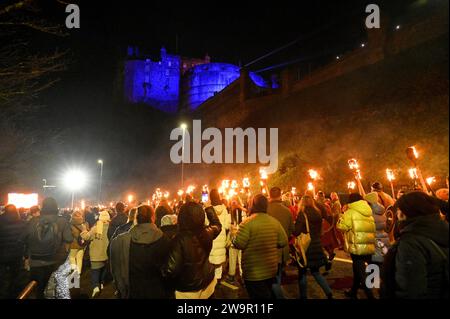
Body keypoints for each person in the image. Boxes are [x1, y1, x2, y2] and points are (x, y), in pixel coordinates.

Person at [382, 192, 449, 299]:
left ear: (405, 212)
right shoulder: (442, 231)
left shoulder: (410, 243)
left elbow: (410, 290)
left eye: (399, 210)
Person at [232, 194, 288, 299]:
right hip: (270, 269)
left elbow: (238, 243)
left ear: (252, 205)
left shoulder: (247, 223)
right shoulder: (274, 222)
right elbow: (283, 241)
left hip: (253, 272)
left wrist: (234, 235)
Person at [110, 205, 173, 298]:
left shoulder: (120, 240)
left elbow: (115, 267)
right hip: (157, 291)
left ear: (135, 219)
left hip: (133, 291)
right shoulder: (164, 239)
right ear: (153, 218)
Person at [162, 201, 221, 299]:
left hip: (188, 290)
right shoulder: (207, 232)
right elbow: (217, 226)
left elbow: (170, 270)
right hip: (208, 284)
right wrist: (209, 208)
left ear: (182, 218)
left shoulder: (179, 240)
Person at [22, 197, 73, 299]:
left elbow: (24, 240)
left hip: (35, 262)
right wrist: (63, 257)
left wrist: (27, 257)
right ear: (56, 207)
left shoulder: (32, 221)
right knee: (54, 290)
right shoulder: (62, 221)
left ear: (43, 207)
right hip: (55, 262)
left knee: (37, 290)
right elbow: (68, 240)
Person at [293, 195, 333, 299]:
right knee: (316, 272)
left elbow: (296, 231)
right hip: (317, 243)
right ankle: (328, 292)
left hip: (306, 247)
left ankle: (303, 296)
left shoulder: (303, 214)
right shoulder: (317, 213)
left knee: (302, 272)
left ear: (302, 203)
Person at [337, 193, 376, 299]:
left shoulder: (350, 212)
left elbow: (342, 227)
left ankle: (370, 296)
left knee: (361, 273)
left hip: (357, 246)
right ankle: (353, 292)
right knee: (358, 270)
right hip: (369, 244)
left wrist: (341, 216)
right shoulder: (368, 212)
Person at [267, 187, 294, 299]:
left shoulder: (265, 210)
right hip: (281, 249)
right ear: (280, 195)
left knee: (271, 279)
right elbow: (291, 230)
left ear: (270, 195)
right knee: (277, 277)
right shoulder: (287, 211)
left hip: (268, 249)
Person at [81, 210, 110, 298]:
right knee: (103, 270)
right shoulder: (111, 227)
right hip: (106, 254)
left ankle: (95, 287)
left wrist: (84, 230)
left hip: (96, 255)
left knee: (95, 272)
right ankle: (101, 283)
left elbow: (86, 237)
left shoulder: (96, 228)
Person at [0, 205, 26, 299]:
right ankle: (14, 293)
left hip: (2, 254)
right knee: (15, 275)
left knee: (2, 276)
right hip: (17, 254)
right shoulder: (22, 223)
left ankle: (3, 293)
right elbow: (25, 239)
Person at [208, 189, 231, 283]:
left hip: (212, 236)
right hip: (221, 237)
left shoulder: (208, 209)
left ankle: (212, 284)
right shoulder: (224, 209)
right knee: (219, 263)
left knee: (211, 261)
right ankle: (218, 280)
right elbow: (227, 225)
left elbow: (205, 223)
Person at [225, 197, 247, 286]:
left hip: (235, 238)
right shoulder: (242, 212)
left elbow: (226, 226)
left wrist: (231, 227)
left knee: (235, 258)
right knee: (239, 258)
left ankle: (234, 275)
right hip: (240, 238)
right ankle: (240, 276)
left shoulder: (230, 213)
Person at [364, 192, 390, 265]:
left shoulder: (370, 213)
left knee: (373, 265)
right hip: (382, 237)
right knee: (381, 261)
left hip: (373, 239)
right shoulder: (381, 211)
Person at [69, 210, 90, 276]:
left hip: (73, 245)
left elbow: (69, 235)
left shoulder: (71, 224)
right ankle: (78, 273)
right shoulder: (85, 223)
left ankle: (74, 271)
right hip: (82, 244)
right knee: (79, 259)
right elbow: (88, 233)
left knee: (71, 257)